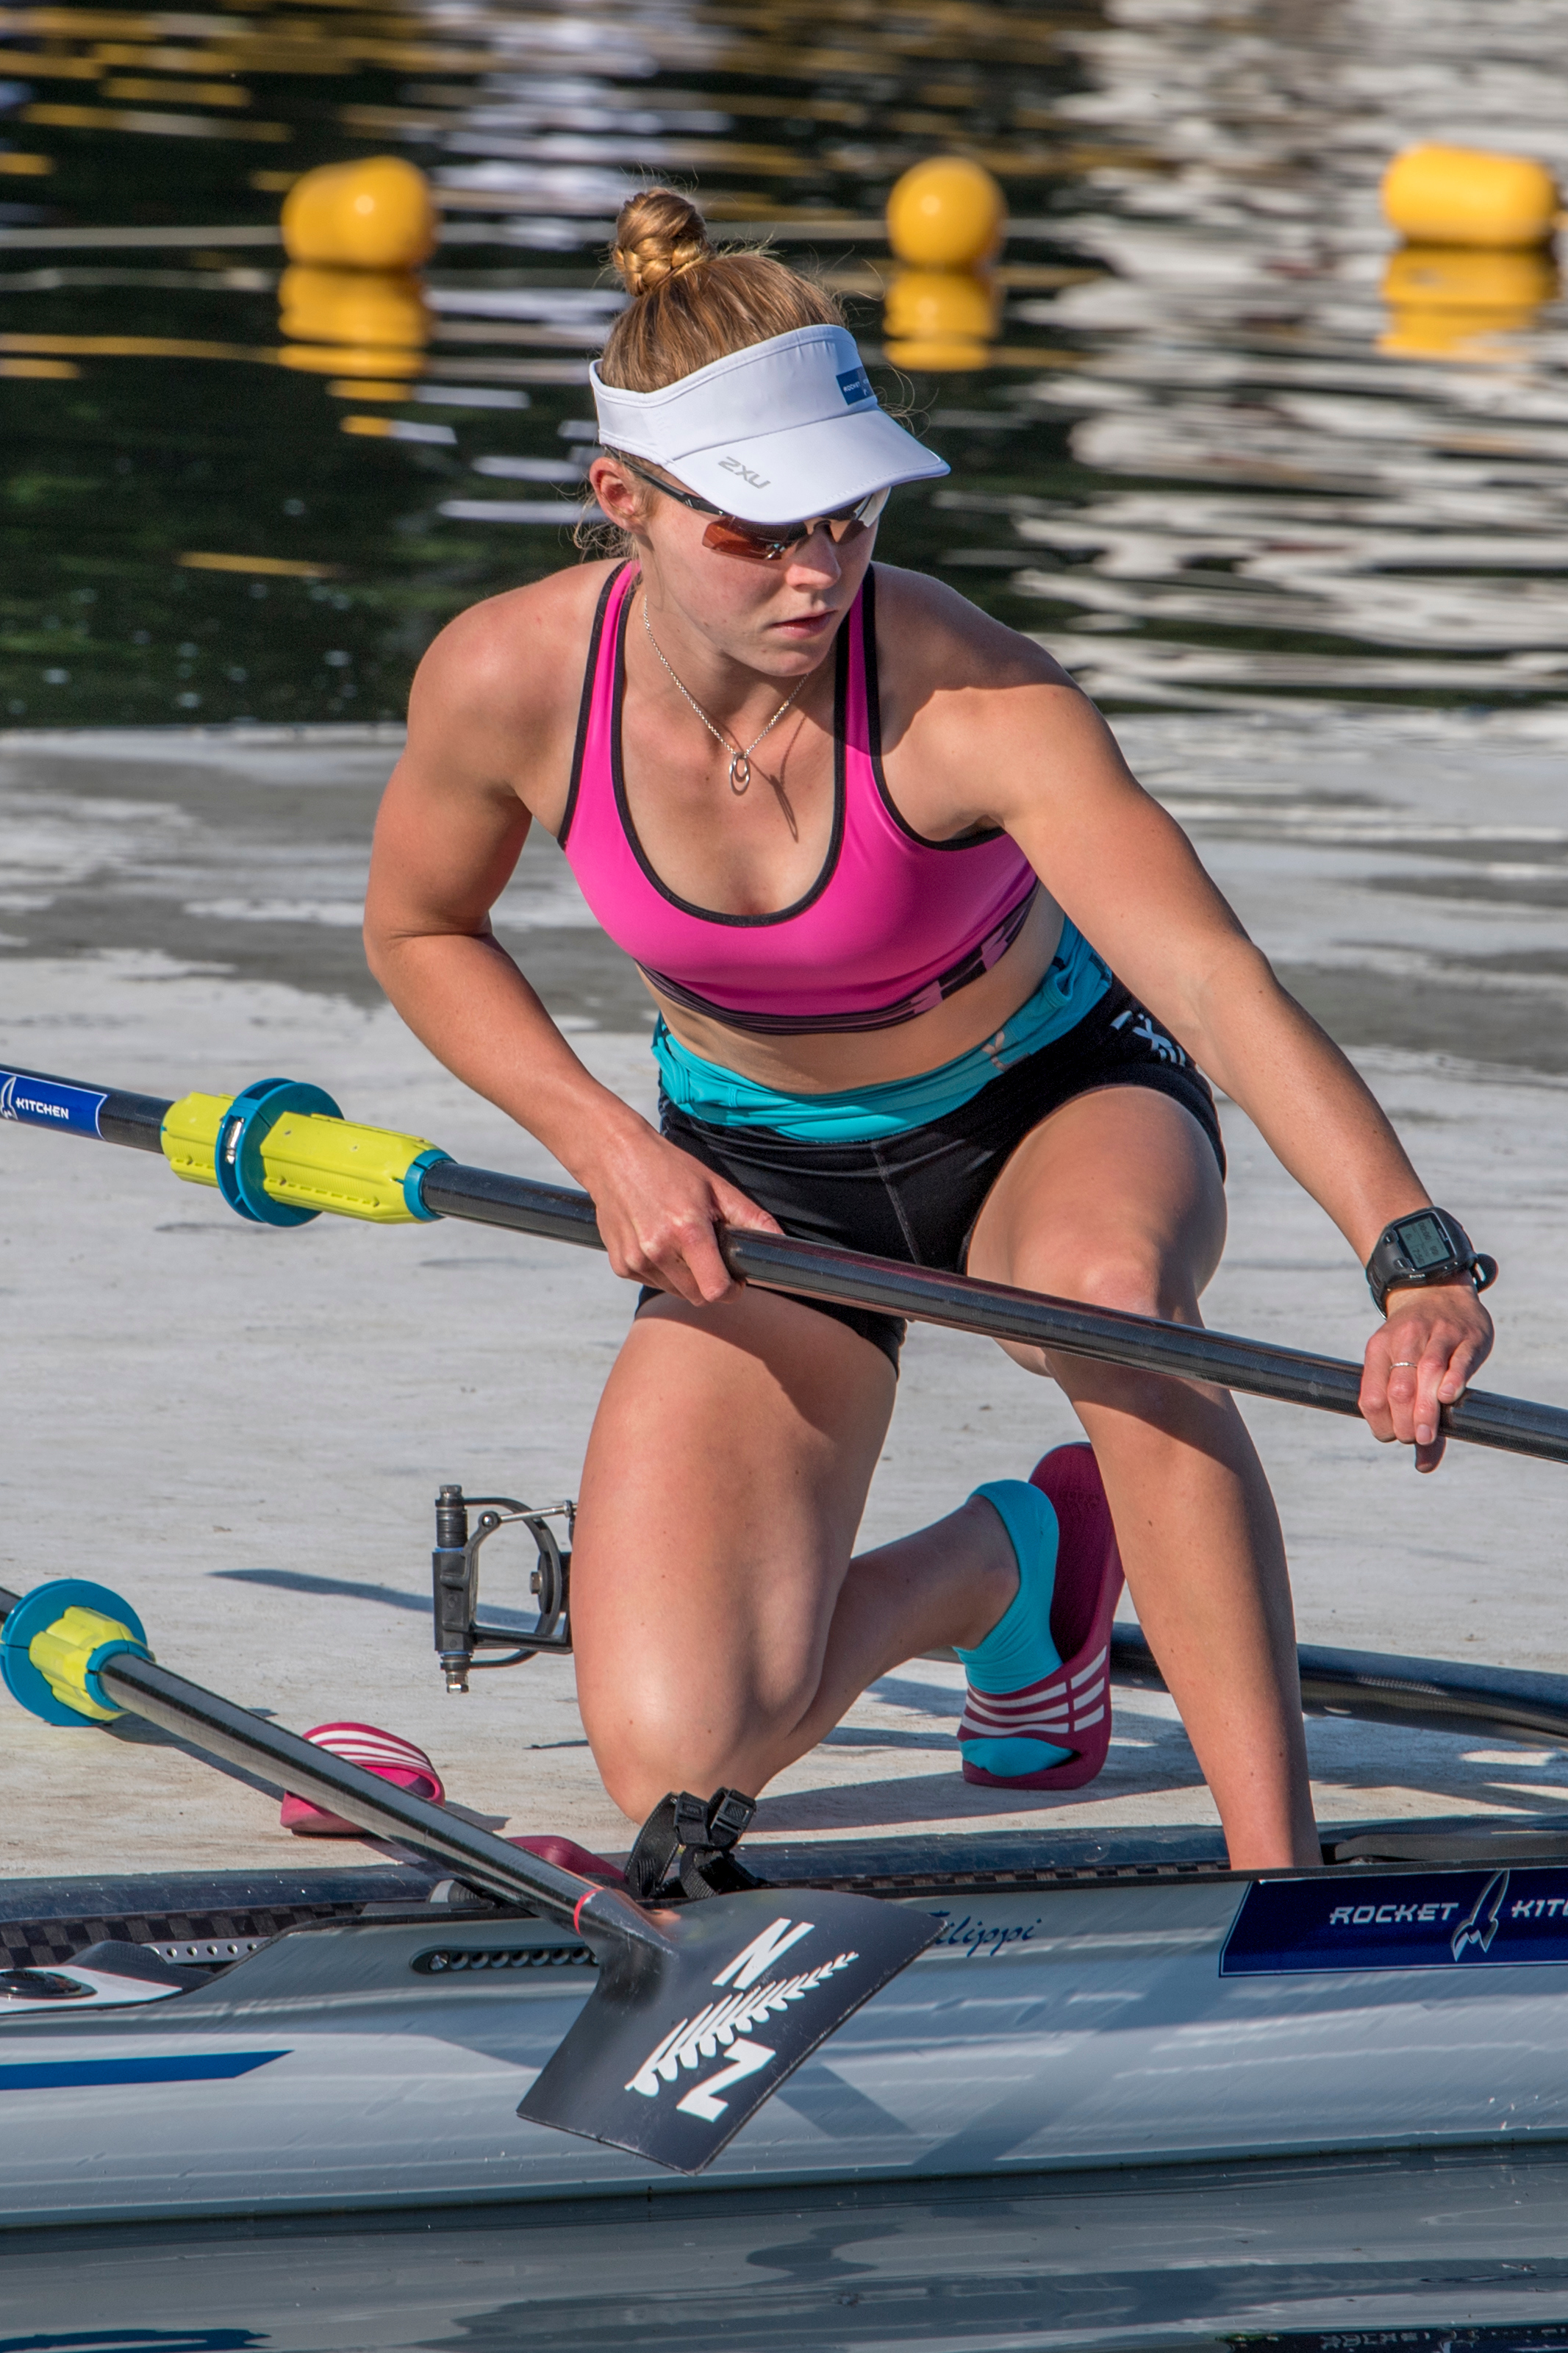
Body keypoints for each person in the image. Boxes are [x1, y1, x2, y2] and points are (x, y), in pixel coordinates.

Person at [363, 188, 1496, 1895]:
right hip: (761, 1176)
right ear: (626, 504)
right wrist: (608, 1141)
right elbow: (420, 931)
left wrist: (1410, 1259)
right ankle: (1006, 1566)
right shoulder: (503, 681)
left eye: (852, 514)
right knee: (685, 1760)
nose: (822, 569)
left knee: (1109, 1304)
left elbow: (1212, 981)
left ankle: (1285, 1880)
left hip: (1049, 1110)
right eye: (763, 532)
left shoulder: (977, 701)